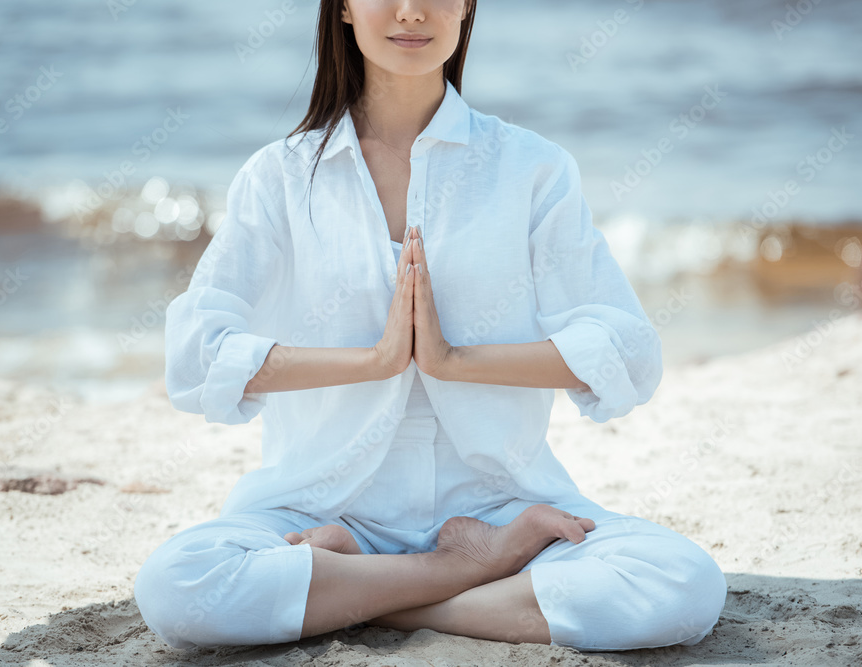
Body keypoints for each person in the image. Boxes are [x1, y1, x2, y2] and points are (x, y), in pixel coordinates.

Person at [134, 0, 727, 652]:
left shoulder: (530, 169)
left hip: (500, 506)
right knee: (177, 587)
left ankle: (370, 593)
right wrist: (376, 361)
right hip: (319, 510)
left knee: (682, 584)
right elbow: (194, 356)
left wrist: (453, 360)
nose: (412, 10)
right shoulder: (280, 179)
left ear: (467, 5)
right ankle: (456, 573)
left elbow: (629, 349)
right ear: (344, 11)